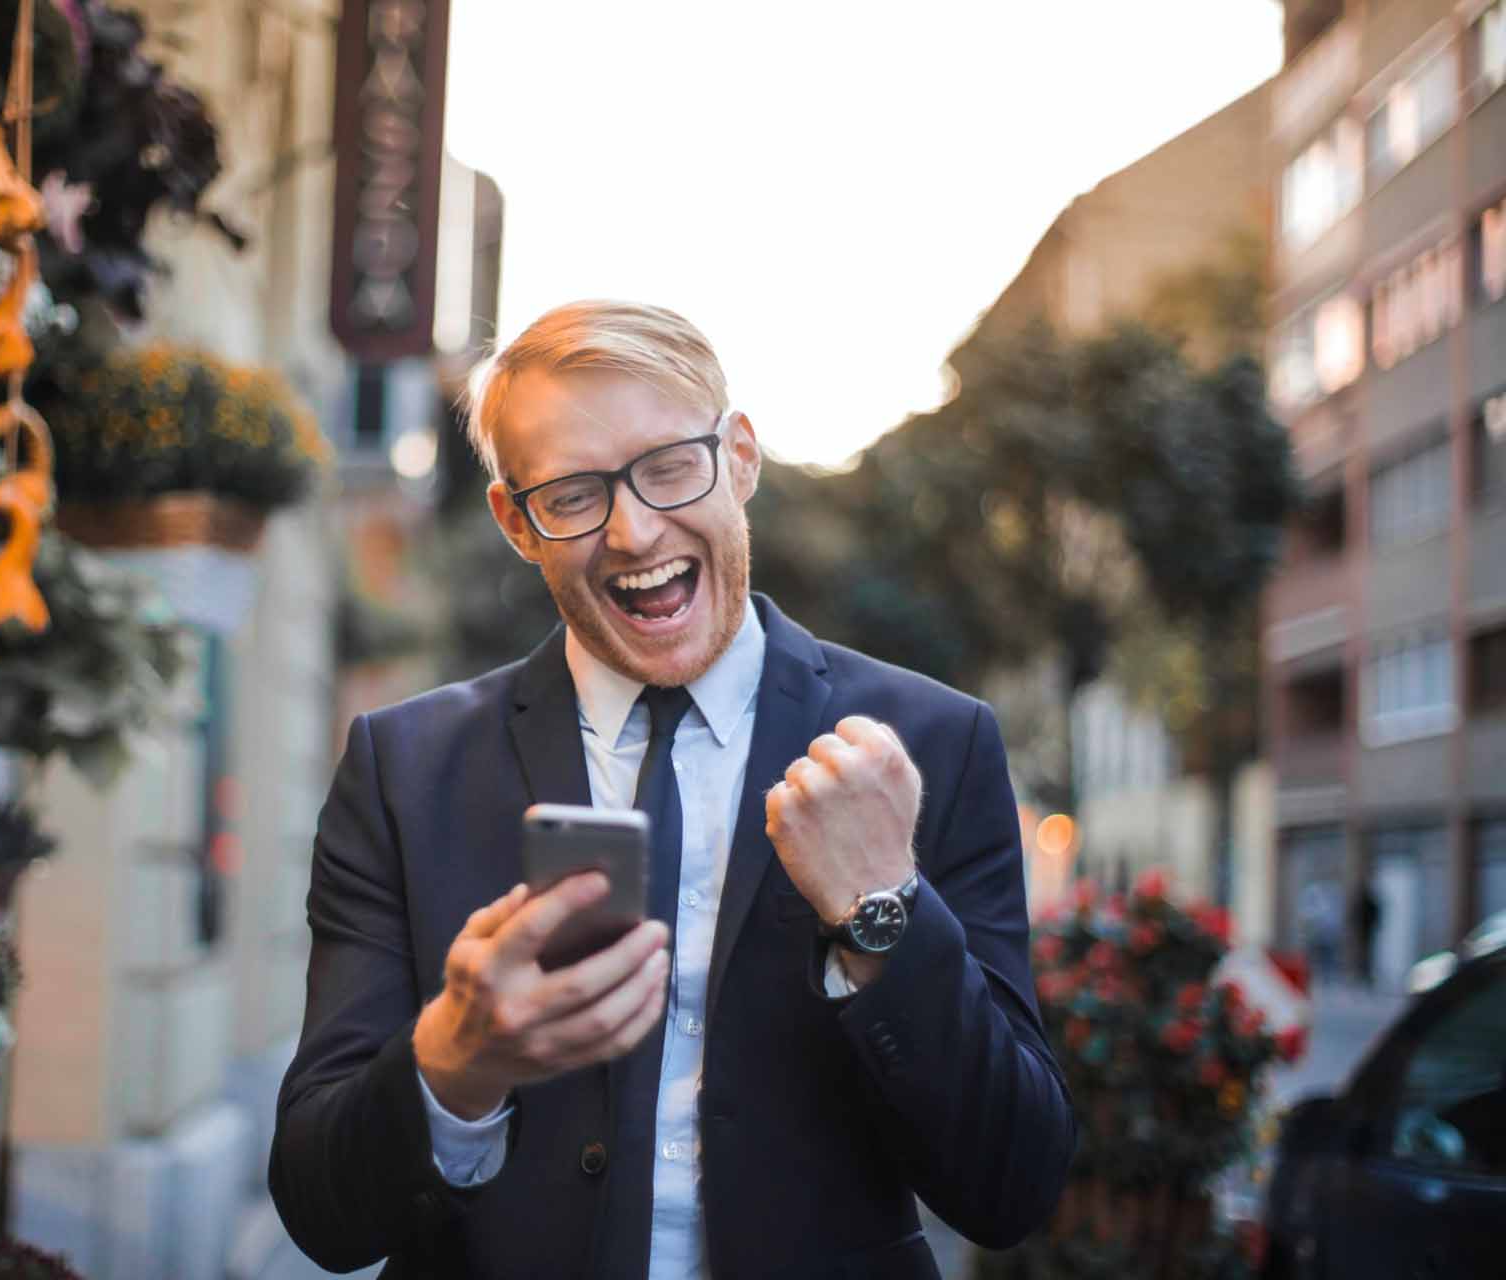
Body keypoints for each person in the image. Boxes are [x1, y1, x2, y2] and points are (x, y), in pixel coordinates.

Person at [271, 302, 1076, 1278]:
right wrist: (455, 1055)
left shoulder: (931, 746)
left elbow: (1009, 1185)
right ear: (516, 522)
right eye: (571, 492)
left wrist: (882, 912)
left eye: (667, 466)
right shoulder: (402, 768)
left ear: (739, 456)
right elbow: (323, 1212)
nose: (632, 528)